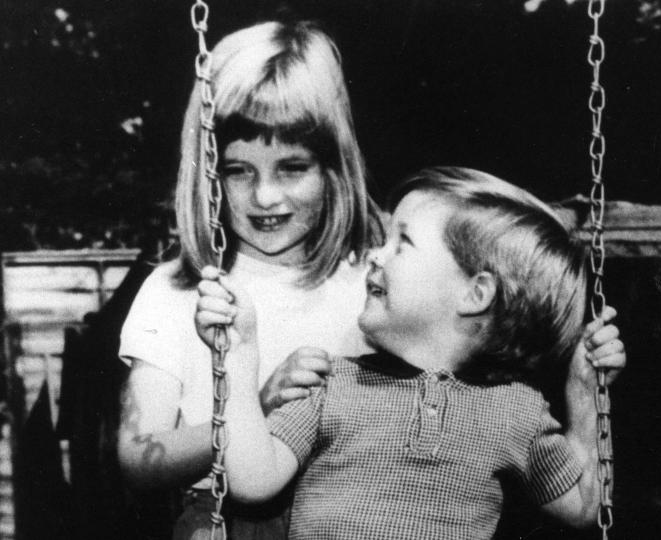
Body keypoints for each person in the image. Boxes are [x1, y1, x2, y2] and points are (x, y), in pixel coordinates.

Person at [196, 167, 626, 539]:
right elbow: (252, 480)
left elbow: (584, 507)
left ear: (475, 293)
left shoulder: (517, 412)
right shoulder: (331, 383)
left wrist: (584, 396)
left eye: (402, 243)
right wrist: (238, 352)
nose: (375, 256)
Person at [116, 20, 384, 539]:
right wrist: (251, 412)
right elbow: (137, 458)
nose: (265, 198)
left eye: (292, 167)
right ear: (207, 173)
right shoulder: (179, 289)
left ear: (333, 168)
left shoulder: (373, 280)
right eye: (238, 171)